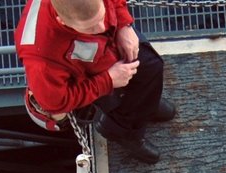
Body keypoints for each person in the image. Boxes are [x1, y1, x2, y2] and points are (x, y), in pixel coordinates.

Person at [14, 0, 175, 164]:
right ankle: (124, 131)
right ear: (62, 21)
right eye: (90, 27)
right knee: (116, 99)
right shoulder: (41, 60)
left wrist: (124, 24)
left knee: (152, 66)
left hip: (111, 40)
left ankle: (146, 105)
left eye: (100, 17)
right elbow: (56, 102)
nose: (101, 28)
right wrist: (108, 80)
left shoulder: (99, 24)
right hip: (89, 72)